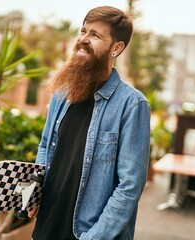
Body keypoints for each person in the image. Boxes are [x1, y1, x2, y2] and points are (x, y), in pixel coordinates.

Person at [30, 5, 151, 240]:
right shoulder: (62, 92)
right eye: (83, 31)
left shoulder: (132, 105)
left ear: (116, 48)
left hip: (87, 233)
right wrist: (35, 194)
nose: (83, 39)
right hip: (46, 227)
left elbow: (129, 187)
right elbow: (46, 145)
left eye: (95, 35)